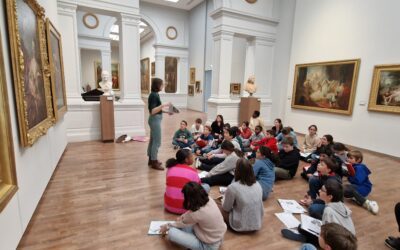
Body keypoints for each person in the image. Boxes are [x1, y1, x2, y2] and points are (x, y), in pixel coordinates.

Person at [282, 179, 356, 247]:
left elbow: (326, 234)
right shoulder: (340, 203)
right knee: (305, 226)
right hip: (348, 240)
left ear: (330, 196)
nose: (319, 190)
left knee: (301, 228)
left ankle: (305, 239)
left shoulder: (329, 210)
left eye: (322, 190)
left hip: (338, 243)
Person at [160, 182, 227, 250]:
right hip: (219, 237)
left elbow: (183, 221)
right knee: (184, 224)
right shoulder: (209, 199)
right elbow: (189, 215)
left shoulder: (195, 214)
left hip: (207, 246)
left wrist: (167, 226)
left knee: (172, 232)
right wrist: (183, 217)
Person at [219, 159, 264, 232]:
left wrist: (223, 199)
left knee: (216, 205)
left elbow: (226, 208)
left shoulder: (233, 187)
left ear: (237, 171)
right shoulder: (258, 184)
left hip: (240, 225)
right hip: (257, 223)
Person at [164, 149, 201, 214]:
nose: (193, 158)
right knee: (206, 187)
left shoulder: (170, 168)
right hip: (186, 209)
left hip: (168, 206)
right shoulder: (193, 172)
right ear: (186, 160)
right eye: (191, 156)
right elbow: (199, 190)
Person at [344, 150, 379, 215]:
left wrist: (349, 176)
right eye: (348, 158)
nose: (348, 160)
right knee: (344, 191)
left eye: (351, 158)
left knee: (347, 189)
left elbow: (358, 181)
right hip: (358, 186)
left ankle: (369, 203)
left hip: (364, 187)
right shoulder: (353, 166)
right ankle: (358, 198)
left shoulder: (360, 168)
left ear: (358, 160)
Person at [147, 78, 170, 170]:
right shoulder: (153, 95)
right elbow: (152, 111)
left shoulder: (155, 94)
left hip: (155, 120)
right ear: (157, 85)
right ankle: (154, 162)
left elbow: (157, 110)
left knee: (153, 141)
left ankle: (151, 159)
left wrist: (166, 111)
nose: (163, 85)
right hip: (154, 120)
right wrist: (163, 105)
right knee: (157, 141)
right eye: (161, 84)